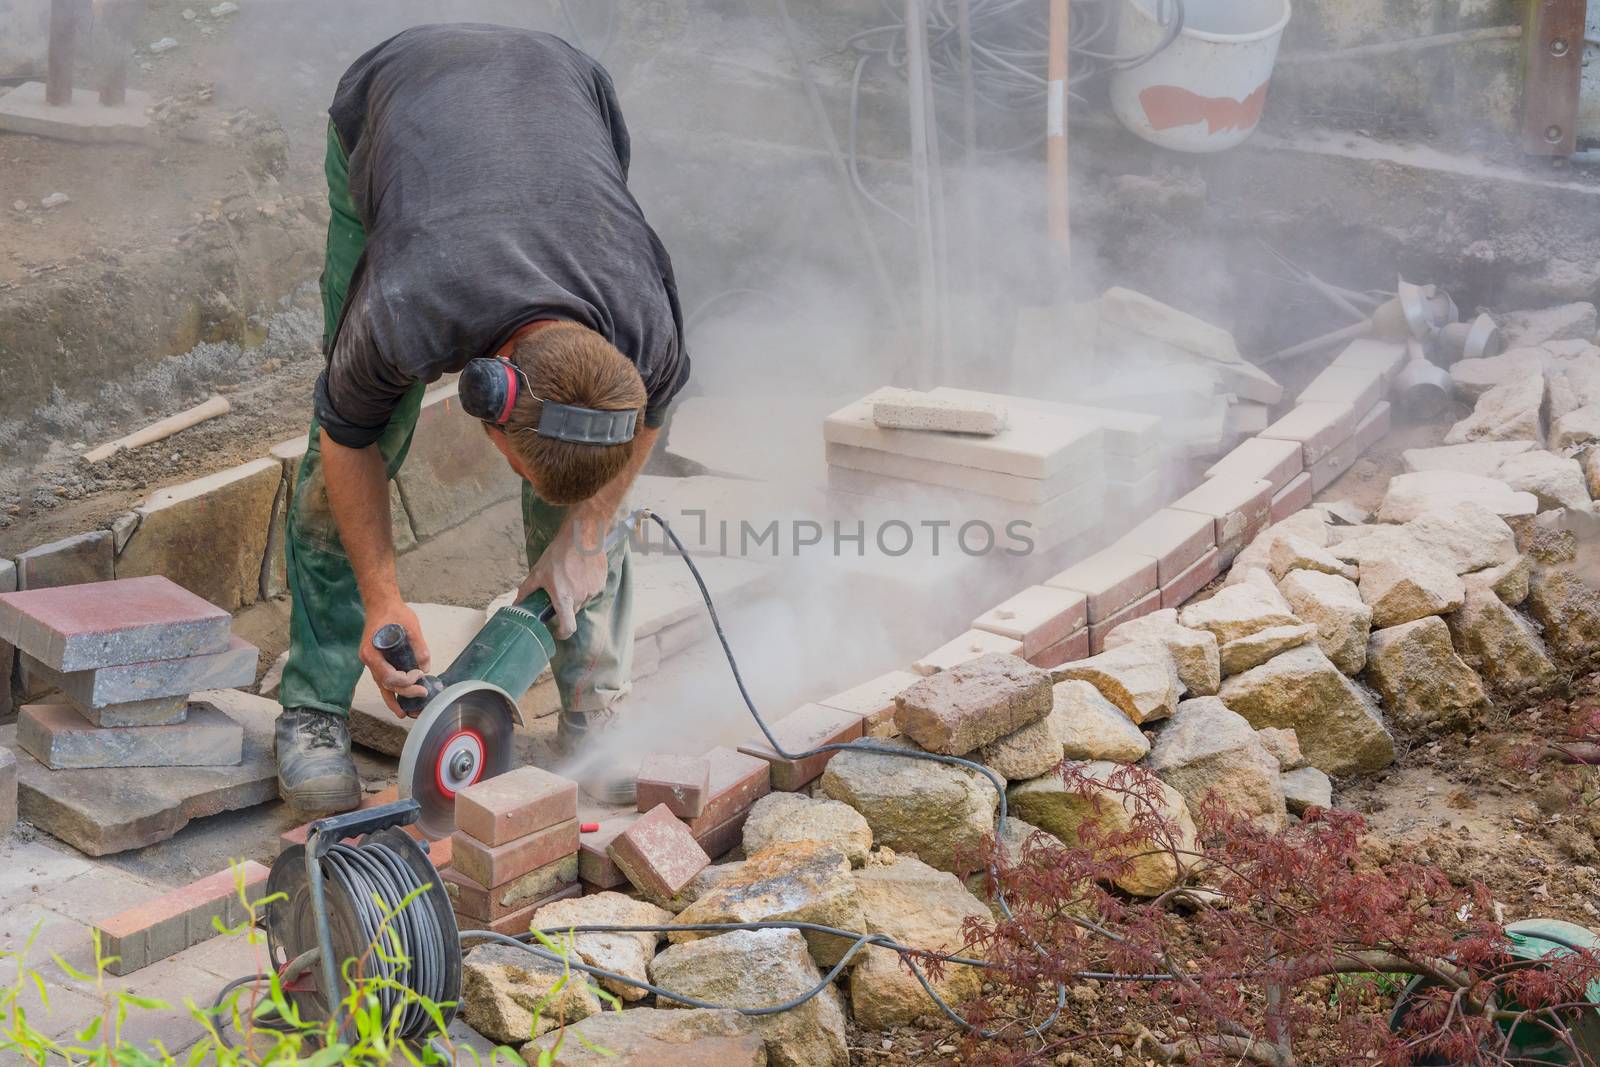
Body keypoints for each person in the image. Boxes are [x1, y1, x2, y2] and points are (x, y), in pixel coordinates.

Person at [274, 23, 688, 815]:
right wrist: (383, 597)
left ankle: (595, 711)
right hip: (391, 108)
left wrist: (588, 533)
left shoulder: (646, 322)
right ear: (485, 408)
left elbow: (645, 421)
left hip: (568, 94)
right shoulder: (404, 305)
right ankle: (313, 707)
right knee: (361, 423)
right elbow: (346, 435)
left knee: (587, 504)